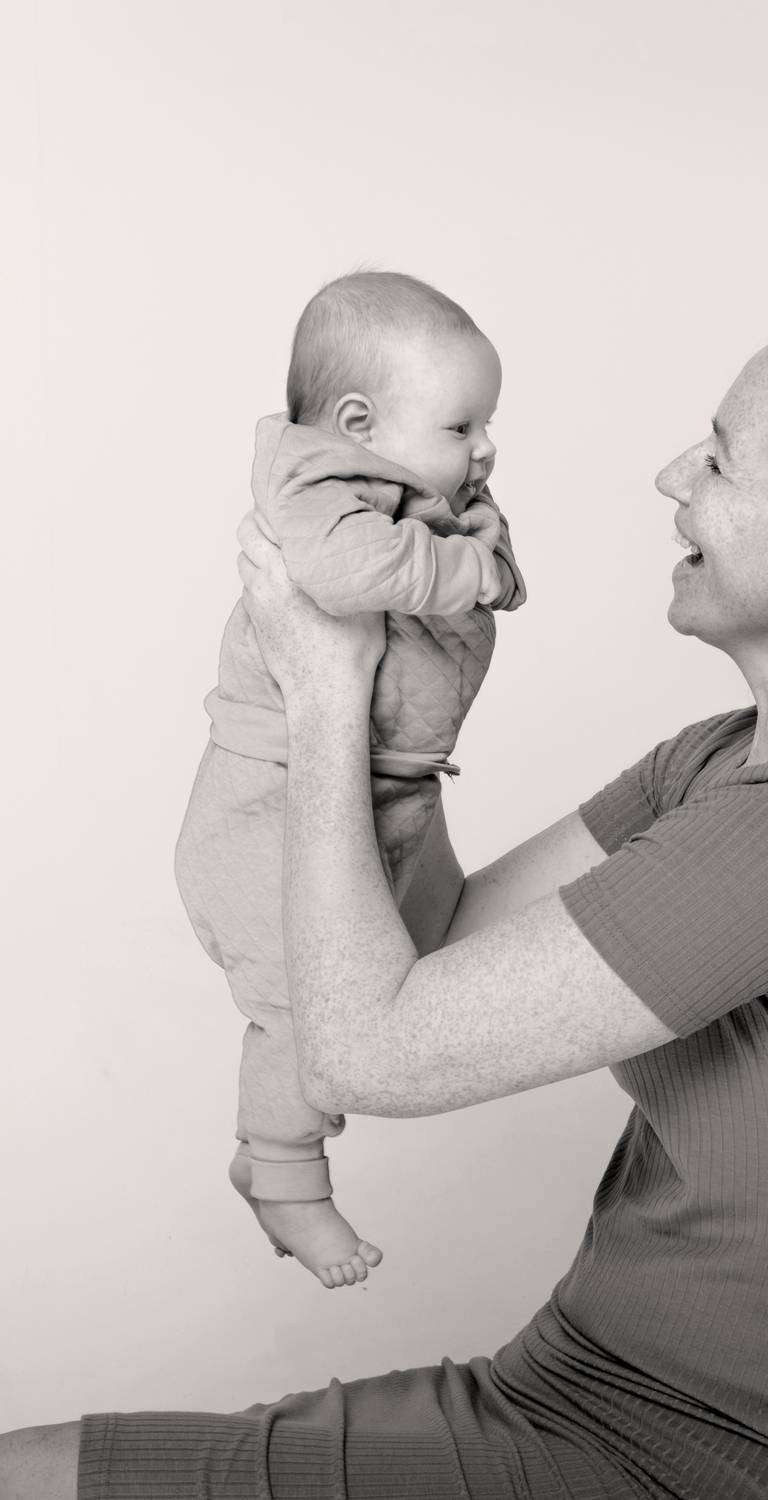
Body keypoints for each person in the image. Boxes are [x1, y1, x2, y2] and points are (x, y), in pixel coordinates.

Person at [0, 316, 768, 1500]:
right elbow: (427, 946)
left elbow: (363, 1053)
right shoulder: (720, 764)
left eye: (719, 461)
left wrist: (322, 696)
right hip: (564, 1390)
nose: (670, 477)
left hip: (719, 1465)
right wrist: (403, 731)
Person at [174, 271, 526, 1287]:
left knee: (404, 975)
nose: (486, 449)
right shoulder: (318, 488)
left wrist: (482, 551)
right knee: (307, 1001)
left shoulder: (423, 497)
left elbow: (502, 570)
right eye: (462, 425)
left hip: (379, 798)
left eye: (488, 424)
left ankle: (265, 1148)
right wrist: (473, 569)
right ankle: (288, 1177)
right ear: (360, 424)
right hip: (273, 806)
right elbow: (349, 577)